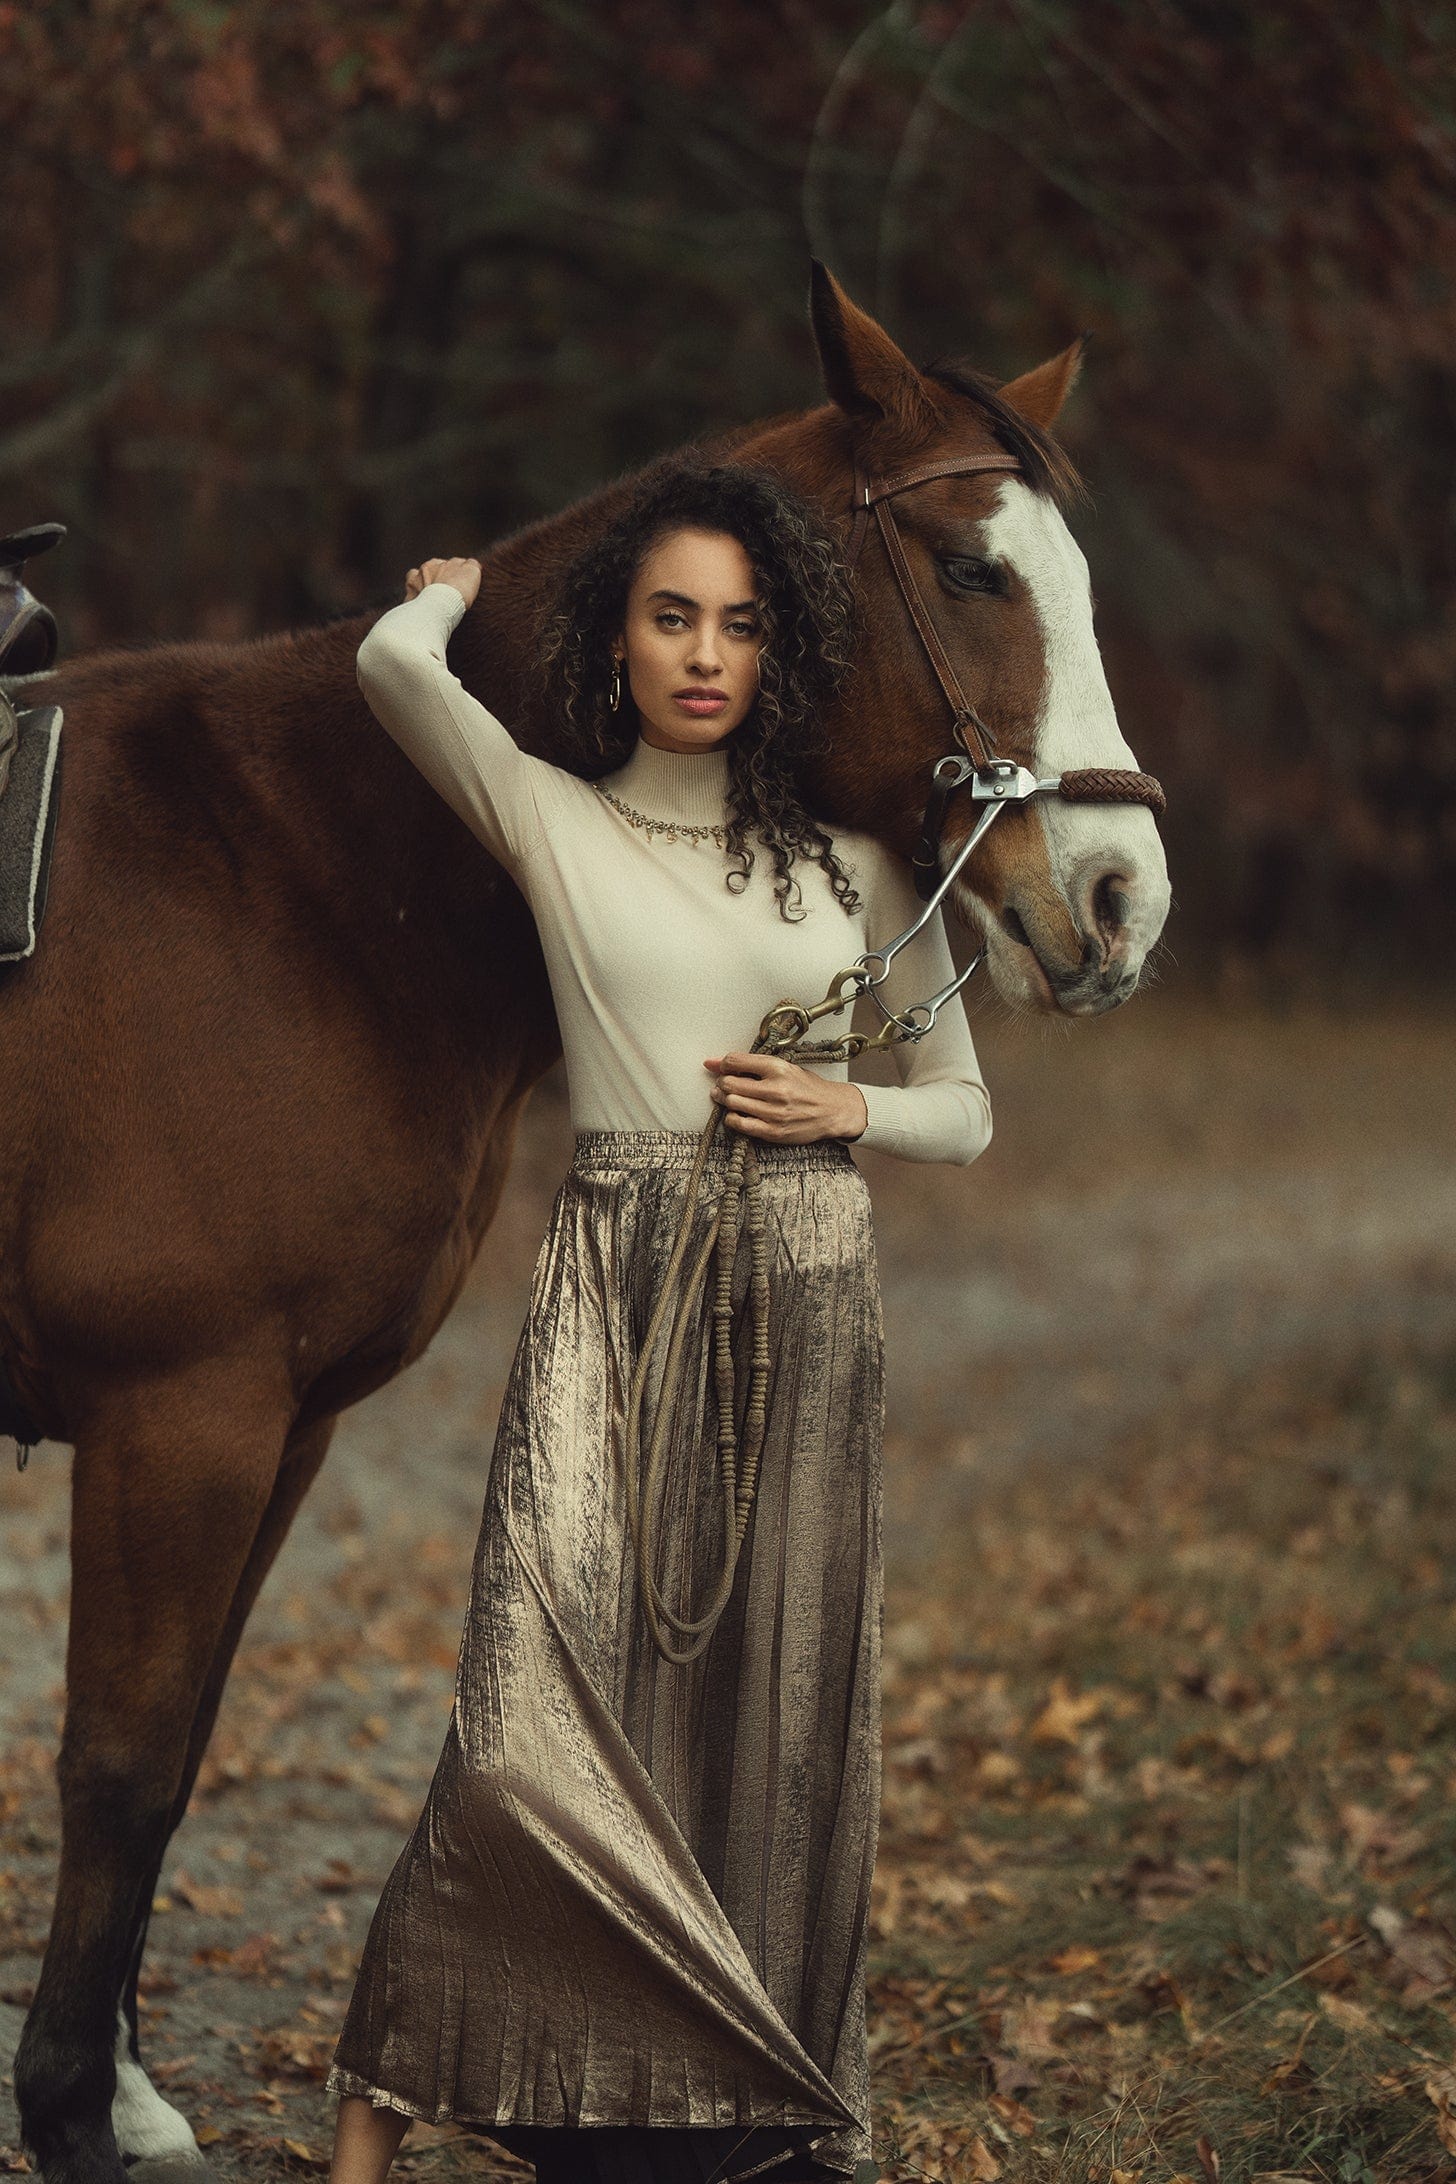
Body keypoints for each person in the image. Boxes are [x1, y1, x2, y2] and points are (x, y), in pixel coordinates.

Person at [323, 454, 993, 2184]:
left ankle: (746, 2110)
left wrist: (847, 1109)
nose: (705, 654)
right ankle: (376, 2108)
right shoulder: (554, 814)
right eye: (672, 618)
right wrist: (448, 597)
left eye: (740, 625)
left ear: (781, 651)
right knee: (529, 1697)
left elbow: (965, 1108)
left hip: (806, 1284)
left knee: (774, 1710)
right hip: (615, 1279)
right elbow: (392, 670)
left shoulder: (855, 866)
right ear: (617, 642)